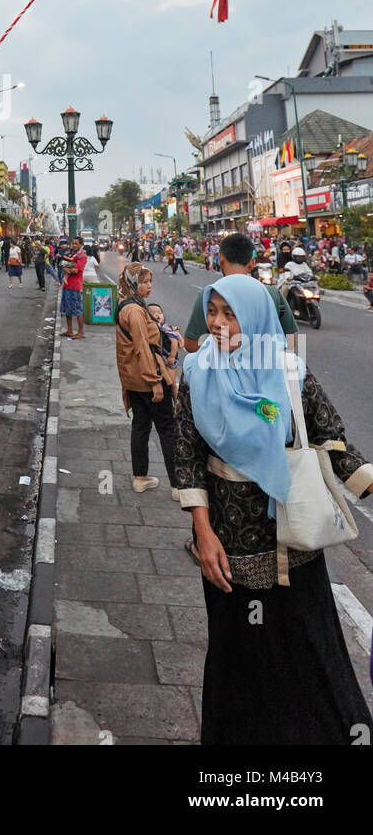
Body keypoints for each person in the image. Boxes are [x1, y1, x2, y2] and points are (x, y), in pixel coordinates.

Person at [175, 273, 373, 745]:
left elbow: (334, 441)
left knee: (311, 647)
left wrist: (365, 482)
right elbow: (186, 460)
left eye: (230, 314)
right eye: (212, 311)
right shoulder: (196, 373)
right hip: (230, 547)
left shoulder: (288, 371)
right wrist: (203, 534)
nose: (218, 324)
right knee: (237, 651)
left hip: (295, 542)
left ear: (257, 318)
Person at [114, 263, 178, 495]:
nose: (148, 286)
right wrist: (154, 382)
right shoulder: (134, 310)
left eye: (150, 281)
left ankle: (140, 478)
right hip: (147, 377)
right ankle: (178, 486)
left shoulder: (128, 303)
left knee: (141, 425)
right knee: (168, 428)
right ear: (132, 283)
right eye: (142, 282)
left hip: (133, 377)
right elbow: (142, 347)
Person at [183, 233, 298, 354]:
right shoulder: (273, 294)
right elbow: (291, 339)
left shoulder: (209, 296)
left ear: (221, 259)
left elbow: (191, 345)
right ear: (252, 263)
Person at [60, 235, 86, 338]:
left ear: (80, 245)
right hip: (67, 284)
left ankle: (80, 332)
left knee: (77, 309)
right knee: (67, 308)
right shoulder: (74, 255)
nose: (74, 245)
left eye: (76, 243)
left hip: (75, 286)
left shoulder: (81, 257)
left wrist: (65, 268)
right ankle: (69, 330)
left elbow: (75, 271)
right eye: (73, 243)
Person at [146, 302, 182, 371]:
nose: (157, 314)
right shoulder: (155, 327)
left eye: (159, 312)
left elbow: (174, 342)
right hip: (161, 357)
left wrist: (172, 357)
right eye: (152, 313)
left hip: (168, 358)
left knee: (169, 377)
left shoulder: (166, 328)